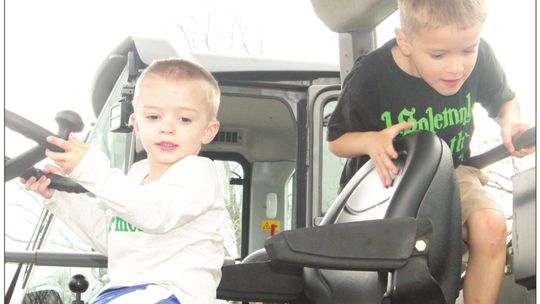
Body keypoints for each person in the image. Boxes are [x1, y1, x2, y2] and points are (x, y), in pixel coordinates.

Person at [326, 0, 534, 303]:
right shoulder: (372, 75)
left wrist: (511, 122)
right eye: (438, 54)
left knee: (490, 224)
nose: (456, 67)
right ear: (405, 41)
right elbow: (337, 140)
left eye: (468, 50)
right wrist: (370, 141)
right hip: (389, 182)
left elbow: (505, 101)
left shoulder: (481, 57)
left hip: (453, 172)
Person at [22, 58, 226, 304]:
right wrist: (57, 196)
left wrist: (89, 168)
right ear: (136, 125)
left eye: (184, 119)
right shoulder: (137, 174)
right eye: (153, 117)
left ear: (208, 131)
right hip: (125, 291)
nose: (167, 127)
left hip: (173, 292)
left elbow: (154, 214)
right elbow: (111, 239)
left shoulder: (198, 173)